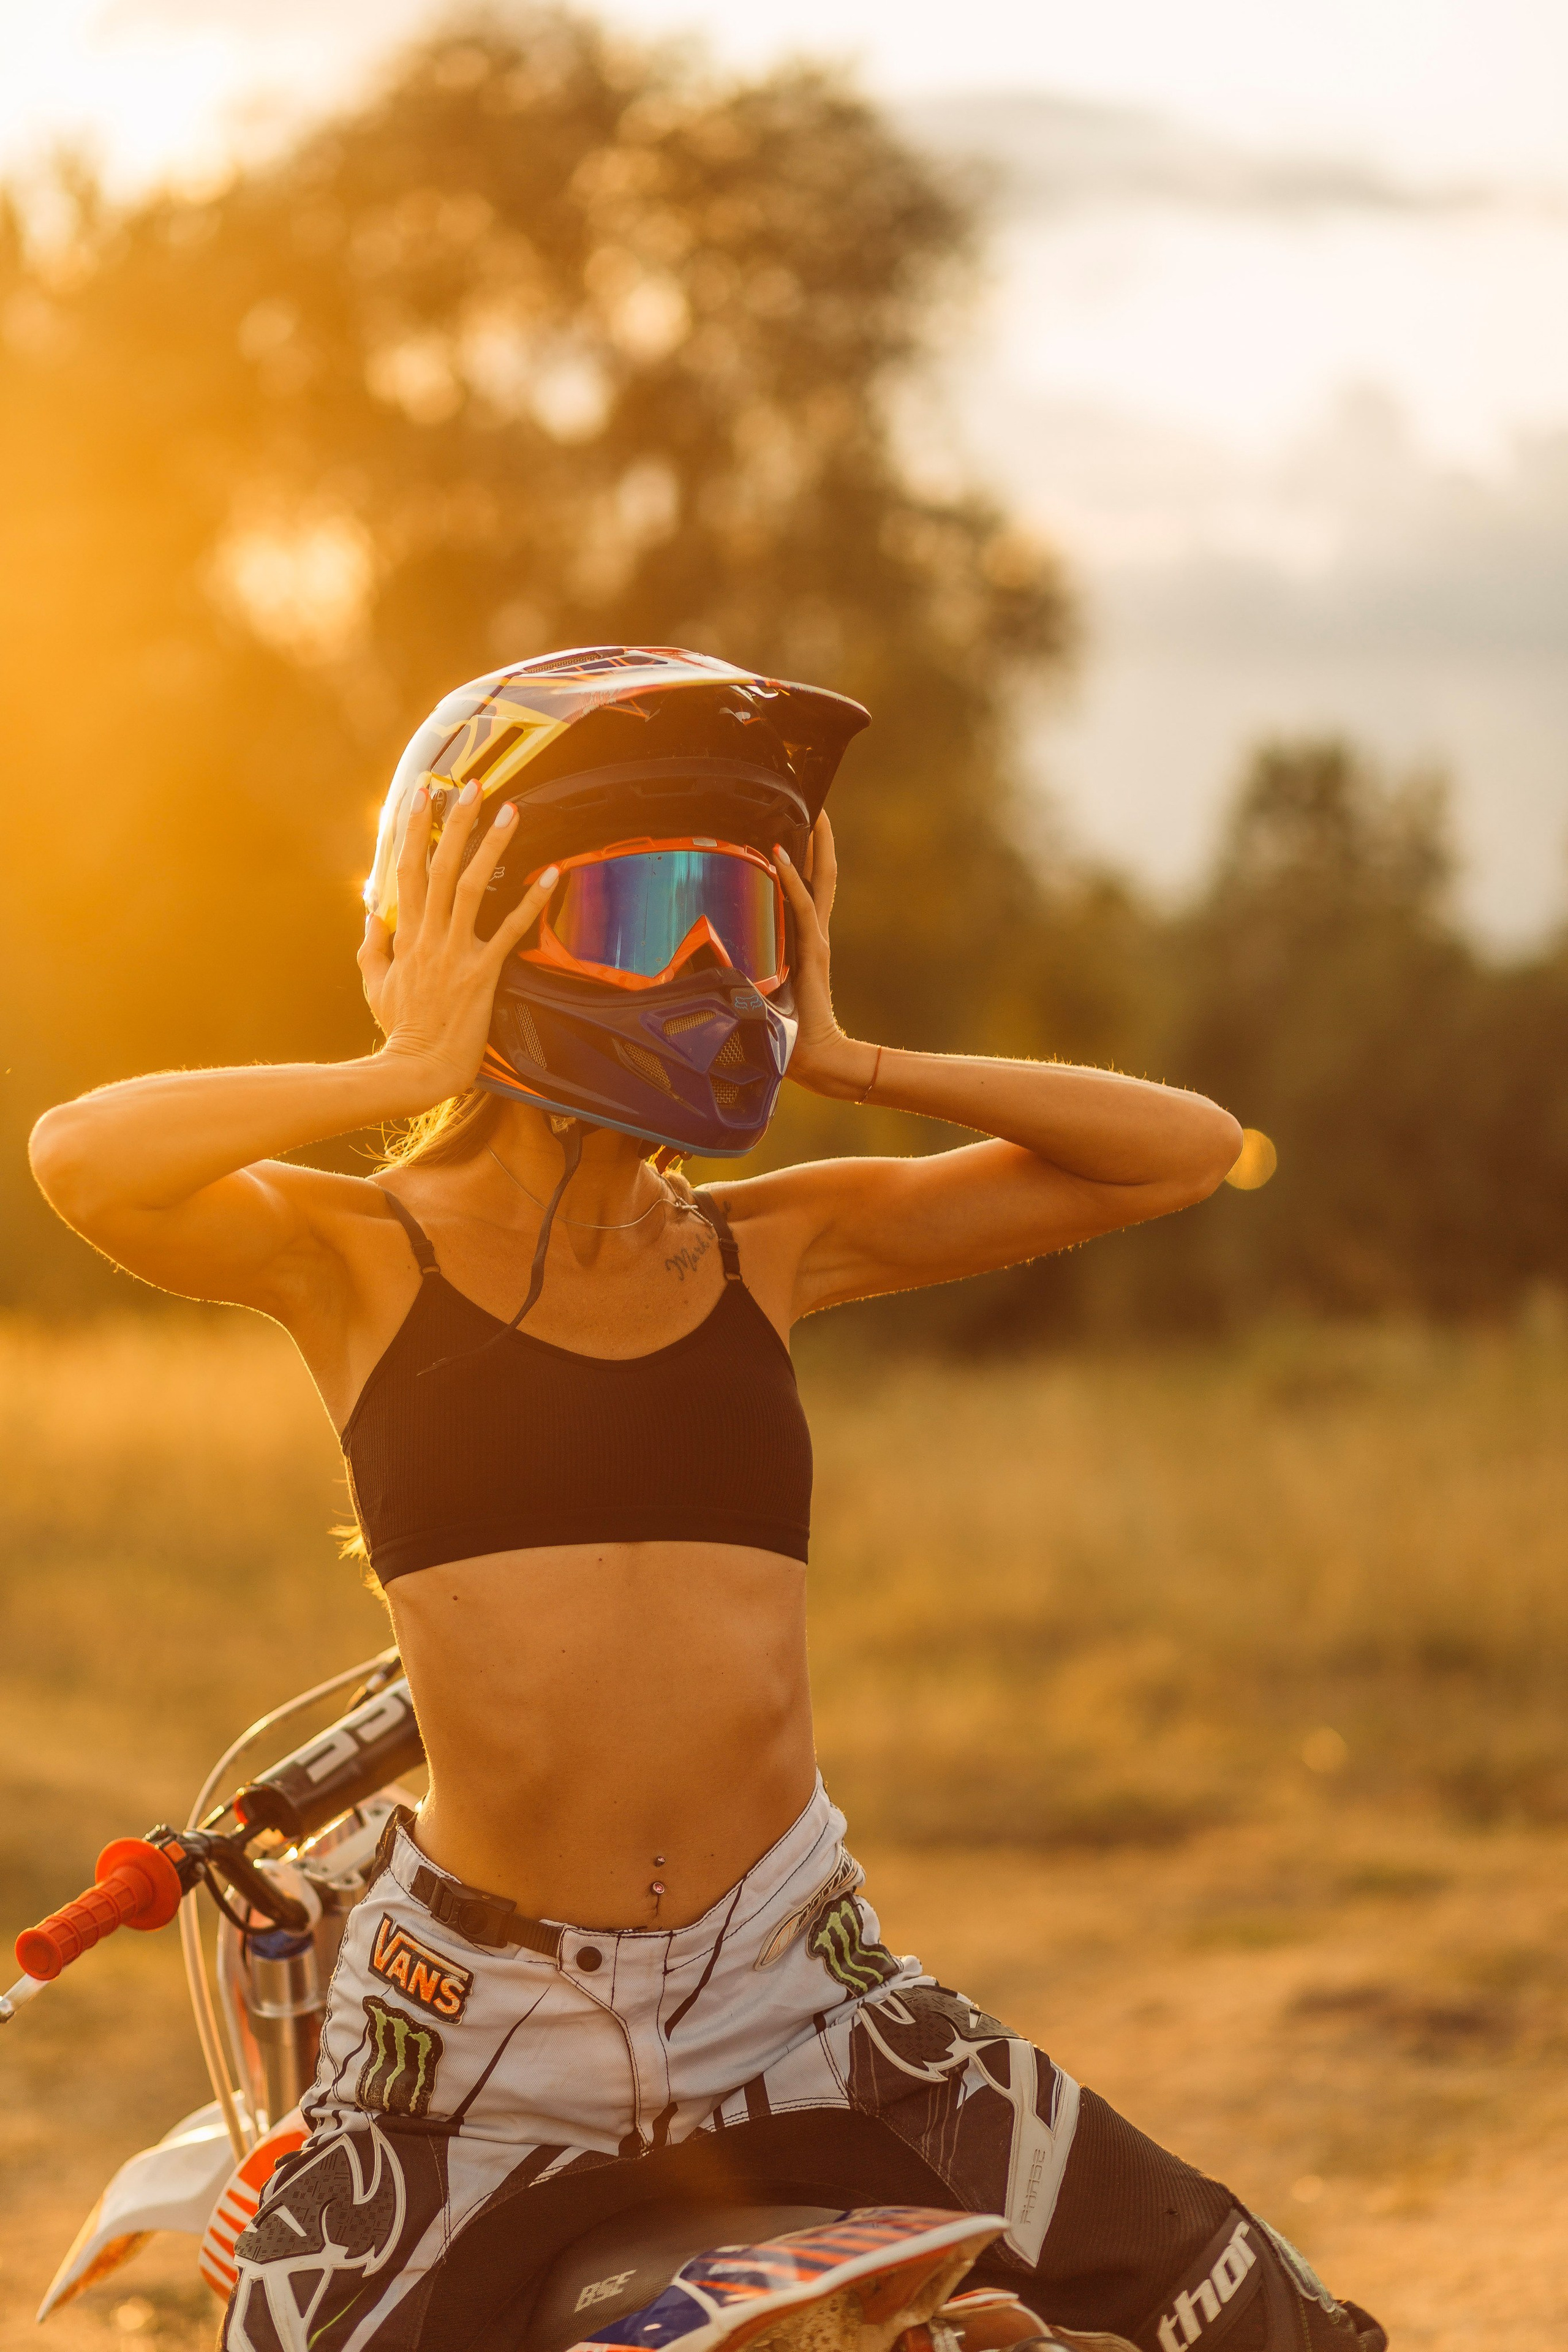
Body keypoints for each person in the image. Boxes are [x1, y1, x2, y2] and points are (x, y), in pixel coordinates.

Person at [30, 649, 1384, 2352]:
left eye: (736, 921)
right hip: (472, 2032)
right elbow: (82, 1156)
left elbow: (1178, 1149)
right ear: (474, 924)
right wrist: (400, 1066)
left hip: (801, 1985)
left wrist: (854, 1051)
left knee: (1270, 2324)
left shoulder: (770, 1242)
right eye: (640, 915)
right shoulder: (355, 1258)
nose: (701, 972)